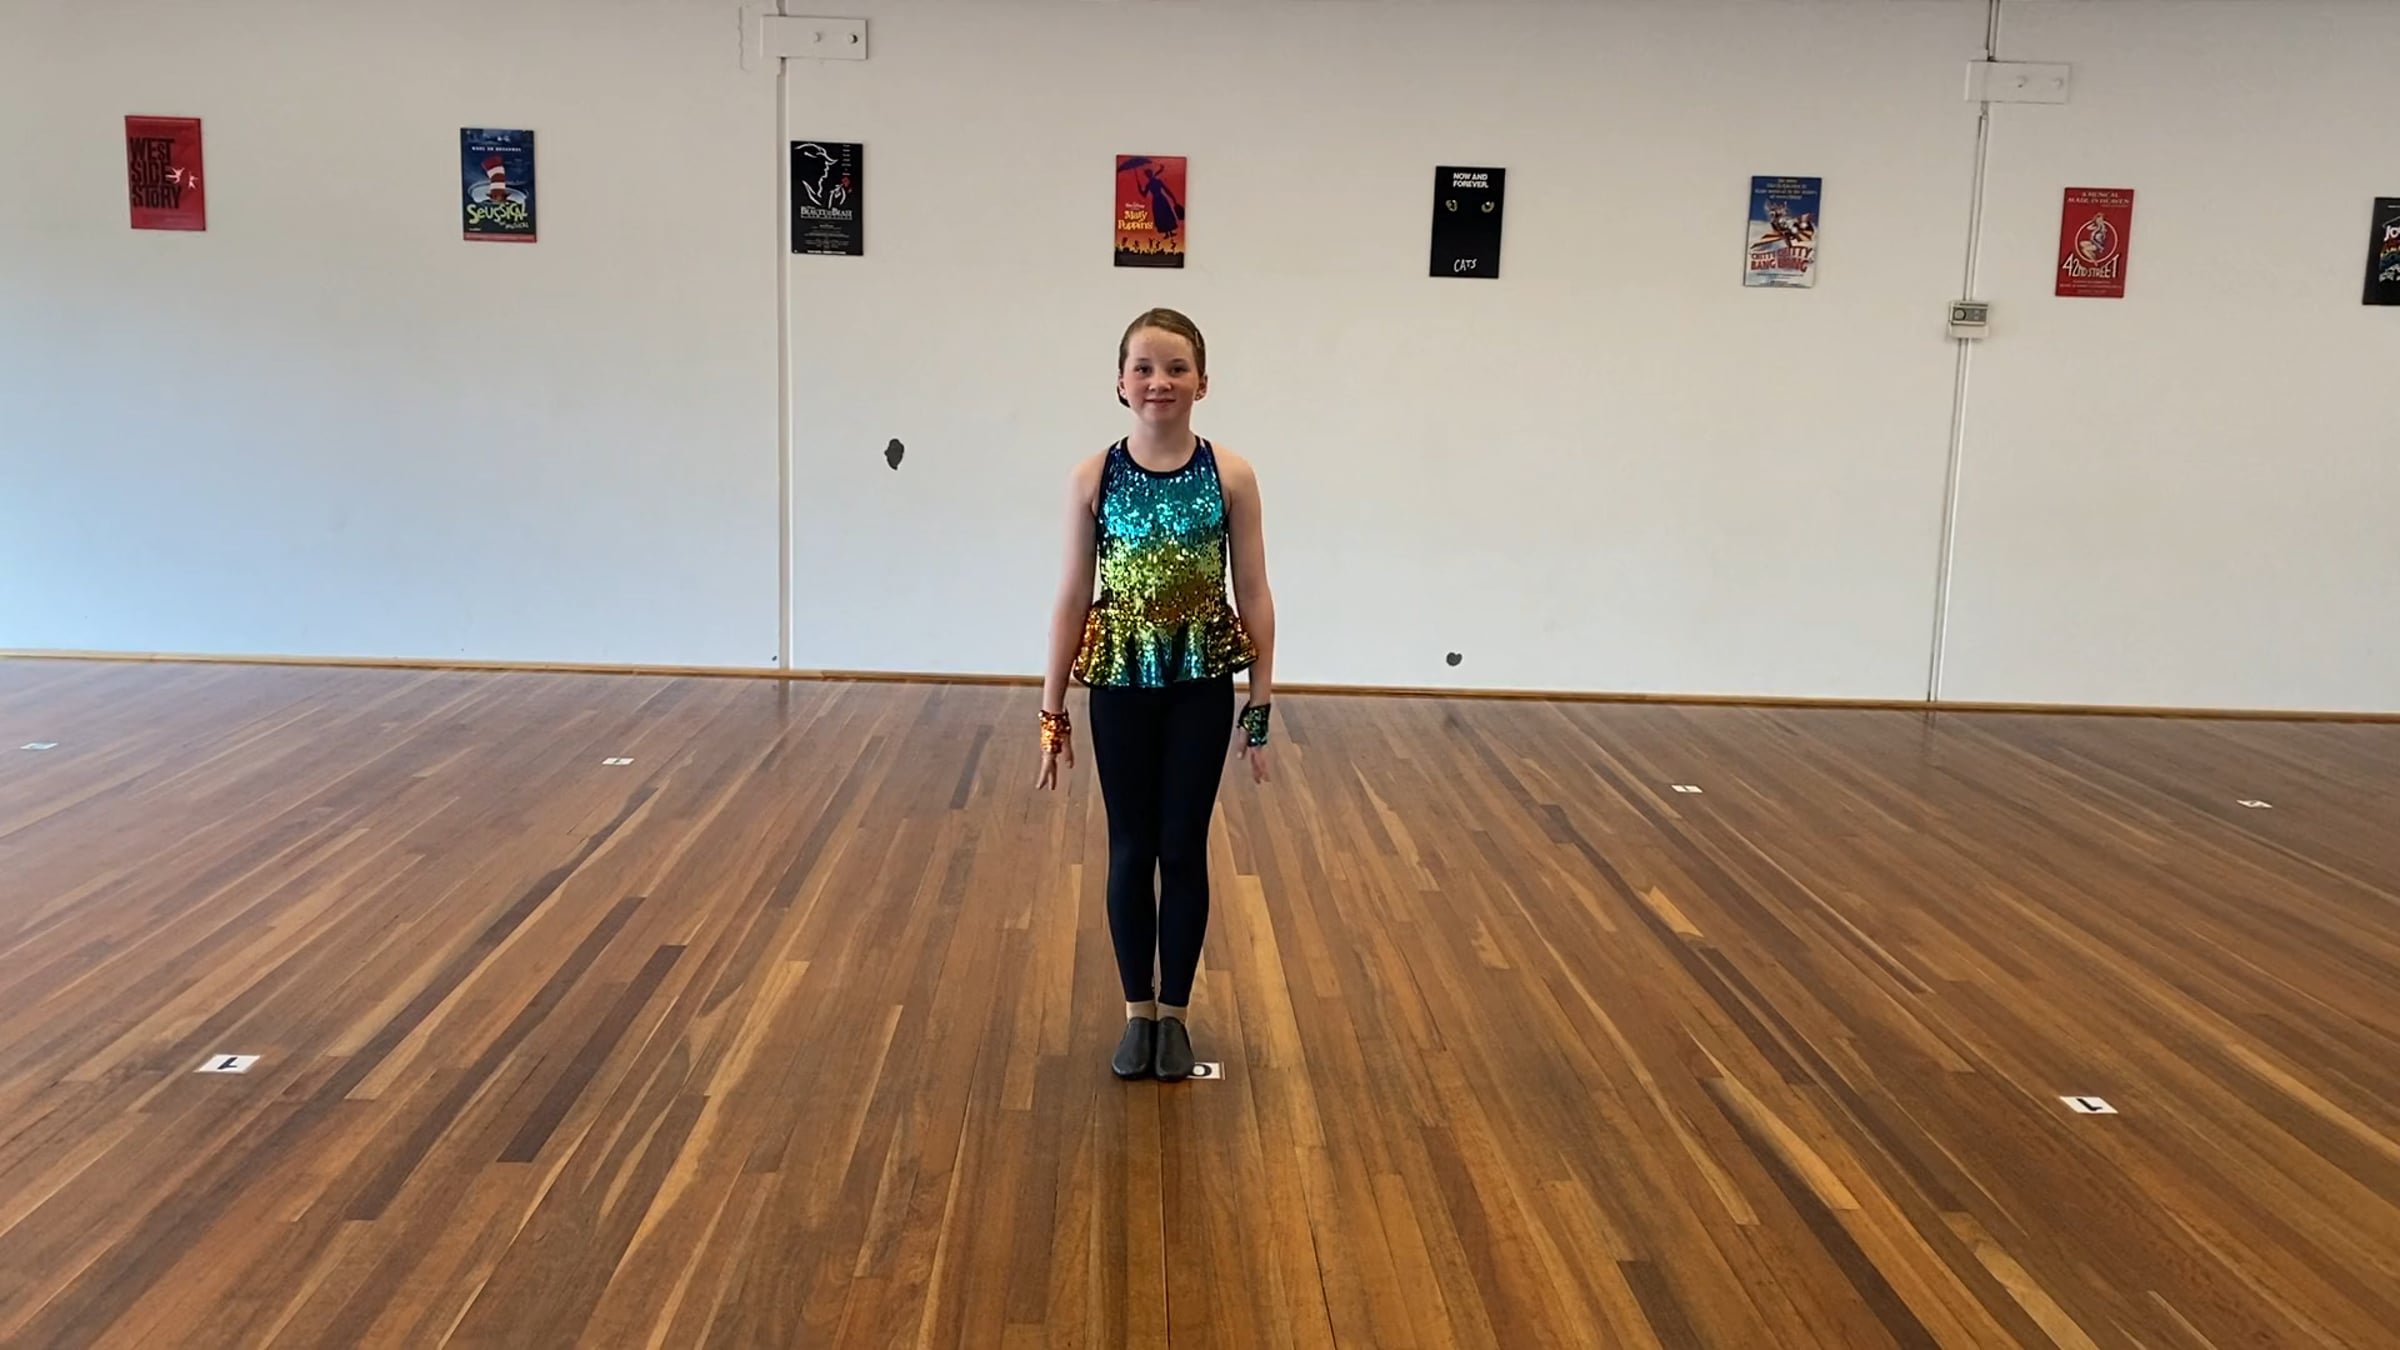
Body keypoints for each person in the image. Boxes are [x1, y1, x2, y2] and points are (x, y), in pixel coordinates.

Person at [1035, 307, 1277, 1083]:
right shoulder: (1093, 477)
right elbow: (1072, 598)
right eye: (1143, 367)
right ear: (1120, 382)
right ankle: (1136, 1011)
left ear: (1202, 382)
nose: (1159, 381)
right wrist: (1052, 712)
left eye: (1176, 368)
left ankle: (1175, 1013)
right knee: (1131, 848)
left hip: (1199, 685)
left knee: (1182, 846)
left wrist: (1260, 702)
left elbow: (1254, 592)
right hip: (1120, 685)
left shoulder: (1231, 475)